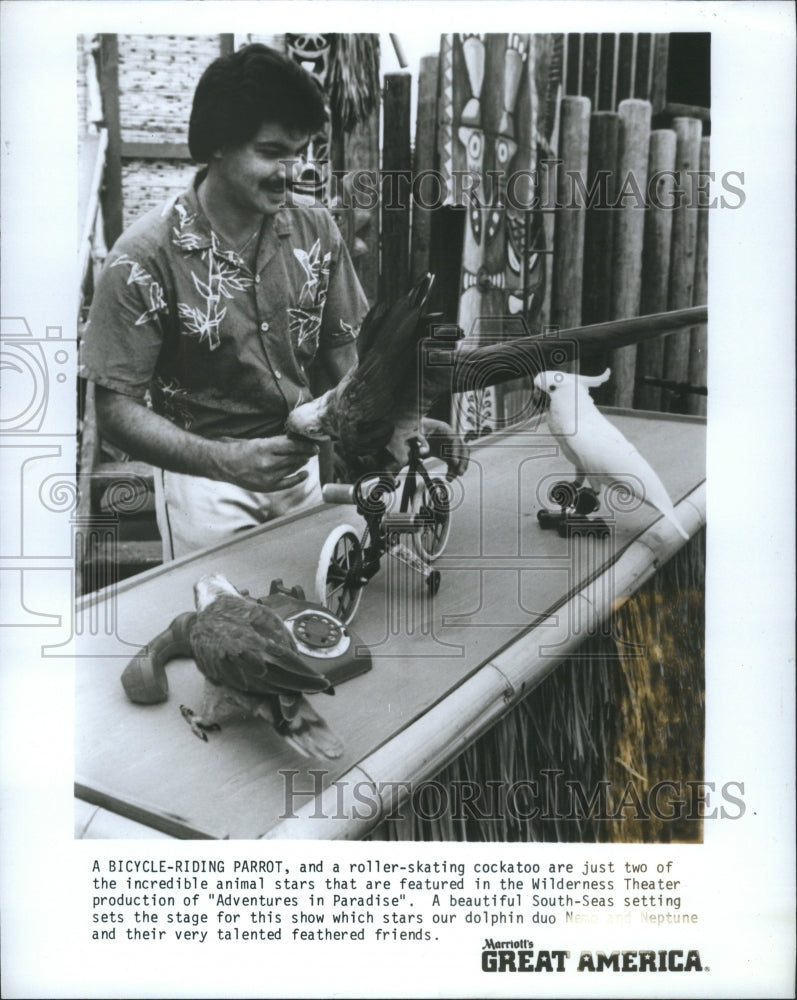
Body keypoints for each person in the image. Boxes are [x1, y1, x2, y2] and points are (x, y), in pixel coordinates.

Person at [80, 43, 465, 561]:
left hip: (304, 469)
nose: (293, 171)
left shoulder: (316, 229)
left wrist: (399, 423)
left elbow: (345, 358)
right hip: (204, 485)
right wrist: (224, 462)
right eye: (271, 152)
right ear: (216, 144)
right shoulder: (143, 258)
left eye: (300, 152)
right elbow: (115, 406)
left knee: (317, 611)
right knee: (227, 624)